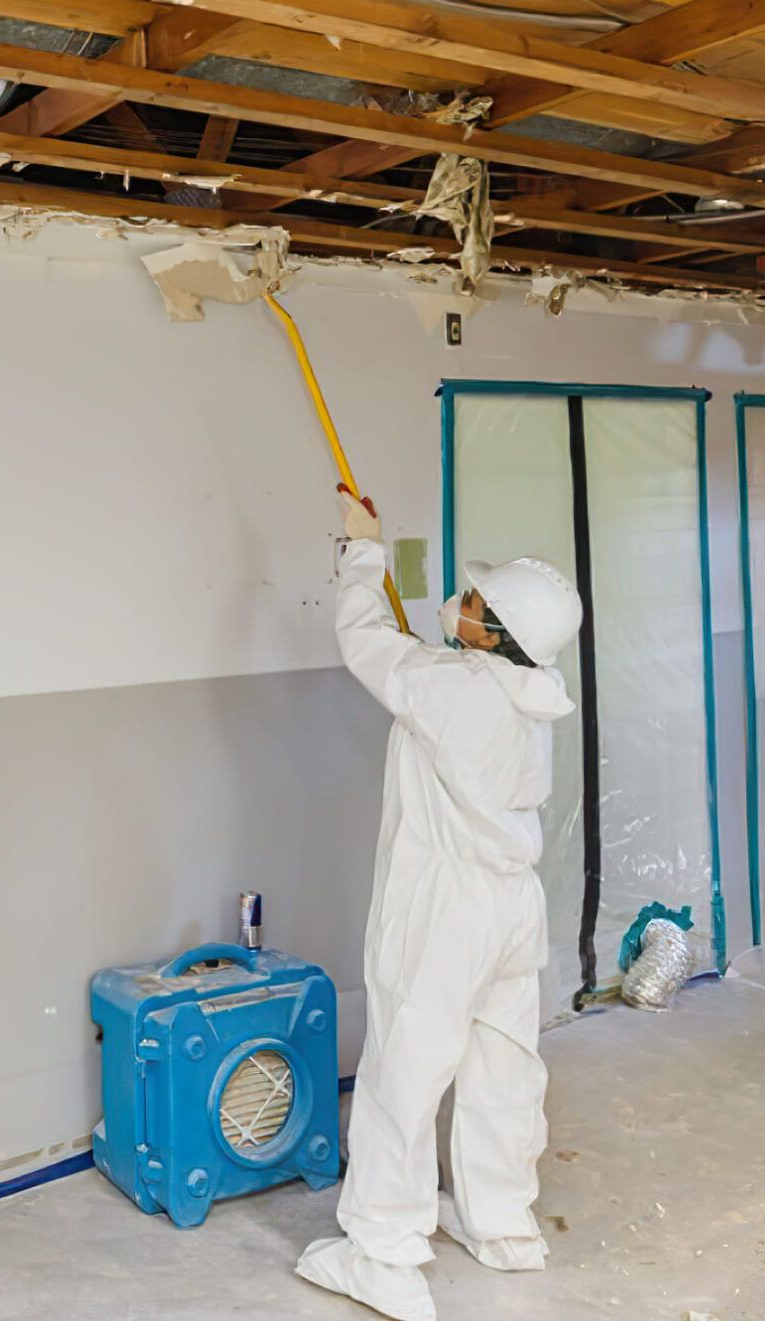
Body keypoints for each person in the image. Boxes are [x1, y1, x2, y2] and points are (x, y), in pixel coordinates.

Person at [296, 487, 583, 1321]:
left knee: (405, 1068)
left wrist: (363, 548)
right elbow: (428, 668)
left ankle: (382, 1251)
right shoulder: (530, 695)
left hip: (448, 907)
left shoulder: (447, 685)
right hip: (511, 908)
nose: (457, 600)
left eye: (472, 599)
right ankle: (502, 1224)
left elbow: (363, 640)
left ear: (491, 633)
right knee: (503, 1066)